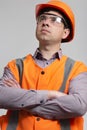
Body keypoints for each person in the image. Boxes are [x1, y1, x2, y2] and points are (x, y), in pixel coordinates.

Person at [0, 0, 87, 130]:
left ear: (65, 33)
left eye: (54, 20)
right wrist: (50, 94)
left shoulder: (77, 69)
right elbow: (2, 96)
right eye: (42, 18)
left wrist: (21, 99)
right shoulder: (15, 66)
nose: (45, 22)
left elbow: (79, 106)